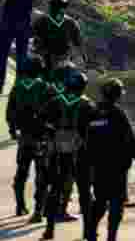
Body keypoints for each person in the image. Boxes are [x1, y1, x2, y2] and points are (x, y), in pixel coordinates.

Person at [82, 78, 135, 241]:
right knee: (116, 204)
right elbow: (131, 141)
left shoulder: (92, 112)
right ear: (117, 95)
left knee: (100, 201)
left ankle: (91, 232)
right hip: (117, 167)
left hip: (98, 166)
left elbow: (84, 137)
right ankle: (111, 237)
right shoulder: (118, 113)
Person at [41, 68, 94, 239]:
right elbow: (92, 132)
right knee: (84, 193)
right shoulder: (88, 105)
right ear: (82, 87)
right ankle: (88, 231)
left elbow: (43, 122)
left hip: (58, 153)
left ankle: (49, 230)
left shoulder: (54, 102)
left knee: (55, 191)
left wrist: (52, 137)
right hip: (80, 154)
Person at [7, 55, 57, 221]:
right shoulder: (46, 87)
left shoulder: (17, 87)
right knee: (42, 175)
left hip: (25, 137)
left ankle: (20, 205)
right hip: (42, 137)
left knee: (21, 171)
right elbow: (54, 111)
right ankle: (38, 210)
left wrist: (13, 131)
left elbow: (10, 112)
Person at [0, 0, 49, 91]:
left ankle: (0, 84)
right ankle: (18, 86)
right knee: (22, 57)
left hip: (7, 19)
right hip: (23, 23)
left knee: (2, 54)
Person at [32, 0, 83, 76]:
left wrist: (79, 57)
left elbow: (78, 43)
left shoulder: (71, 23)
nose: (52, 7)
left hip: (61, 60)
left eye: (55, 5)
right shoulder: (42, 20)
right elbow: (32, 36)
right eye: (52, 5)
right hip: (43, 56)